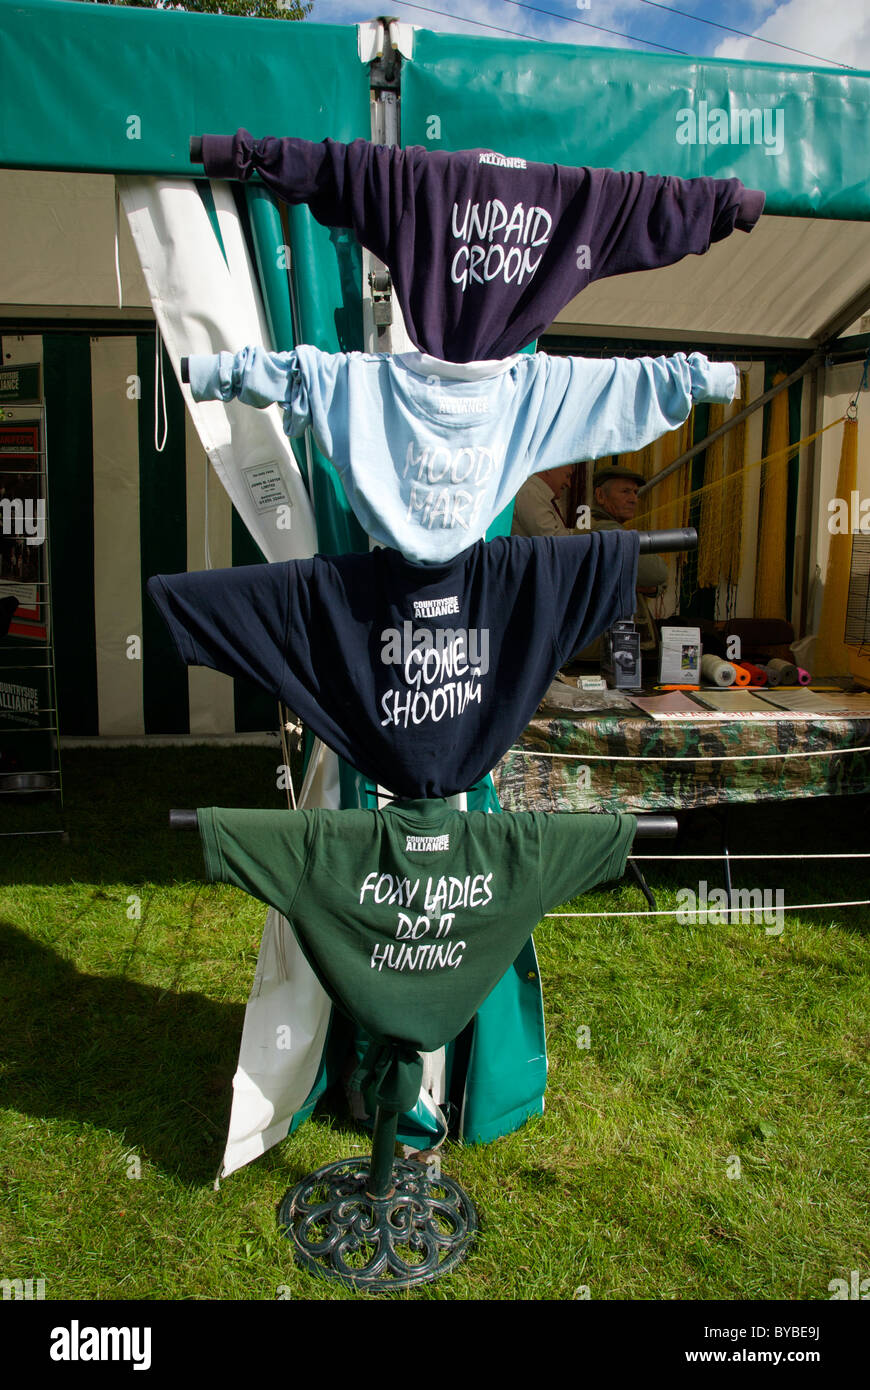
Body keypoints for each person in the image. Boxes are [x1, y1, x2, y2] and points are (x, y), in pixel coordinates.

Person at [510, 464, 578, 538]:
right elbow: (555, 541)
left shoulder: (539, 494)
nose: (569, 484)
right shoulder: (530, 493)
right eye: (567, 476)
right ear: (550, 468)